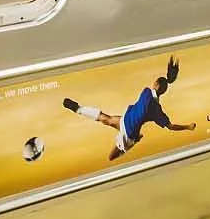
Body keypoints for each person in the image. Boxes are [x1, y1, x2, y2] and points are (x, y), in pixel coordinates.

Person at [63, 57, 196, 162]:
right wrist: (187, 127)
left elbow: (145, 107)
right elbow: (171, 126)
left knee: (105, 118)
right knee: (111, 156)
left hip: (126, 118)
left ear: (155, 84)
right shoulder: (157, 111)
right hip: (130, 132)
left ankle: (79, 109)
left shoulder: (146, 91)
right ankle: (134, 142)